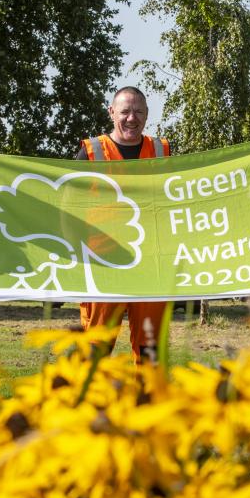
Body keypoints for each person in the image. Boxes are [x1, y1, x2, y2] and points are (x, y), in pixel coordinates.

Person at [76, 86, 170, 361]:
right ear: (111, 112)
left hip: (150, 267)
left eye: (139, 112)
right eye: (125, 111)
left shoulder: (161, 150)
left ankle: (149, 400)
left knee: (150, 348)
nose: (132, 118)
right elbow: (70, 204)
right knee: (97, 349)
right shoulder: (91, 152)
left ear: (147, 115)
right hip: (104, 266)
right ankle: (94, 403)